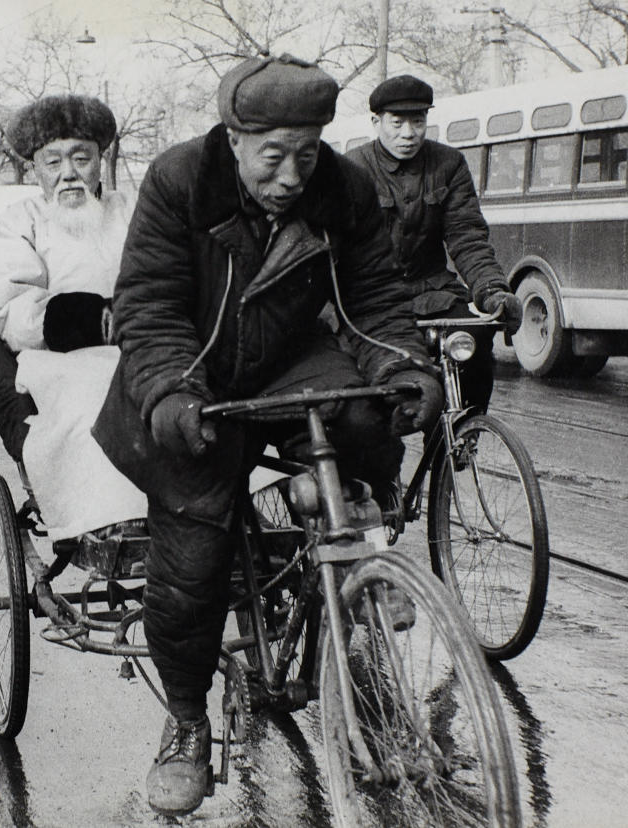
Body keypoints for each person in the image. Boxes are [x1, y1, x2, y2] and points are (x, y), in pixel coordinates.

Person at [91, 54, 443, 817]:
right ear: (235, 138)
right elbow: (148, 302)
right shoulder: (181, 180)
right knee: (191, 560)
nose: (290, 175)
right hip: (189, 380)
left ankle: (357, 536)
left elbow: (374, 301)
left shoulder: (342, 189)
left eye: (306, 154)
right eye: (273, 157)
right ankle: (186, 720)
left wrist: (404, 365)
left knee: (365, 407)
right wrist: (171, 389)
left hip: (286, 363)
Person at [0, 94, 146, 538]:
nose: (68, 173)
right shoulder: (21, 221)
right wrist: (96, 320)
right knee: (95, 398)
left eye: (81, 158)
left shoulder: (132, 210)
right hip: (56, 358)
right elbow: (12, 305)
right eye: (53, 162)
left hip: (142, 345)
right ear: (35, 169)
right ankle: (110, 519)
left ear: (100, 161)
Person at [347, 75, 523, 412]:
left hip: (433, 292)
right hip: (371, 298)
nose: (408, 133)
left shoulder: (448, 164)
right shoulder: (354, 168)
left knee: (474, 340)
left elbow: (467, 237)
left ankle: (458, 439)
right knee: (366, 383)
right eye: (397, 123)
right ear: (376, 122)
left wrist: (491, 291)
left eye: (418, 121)